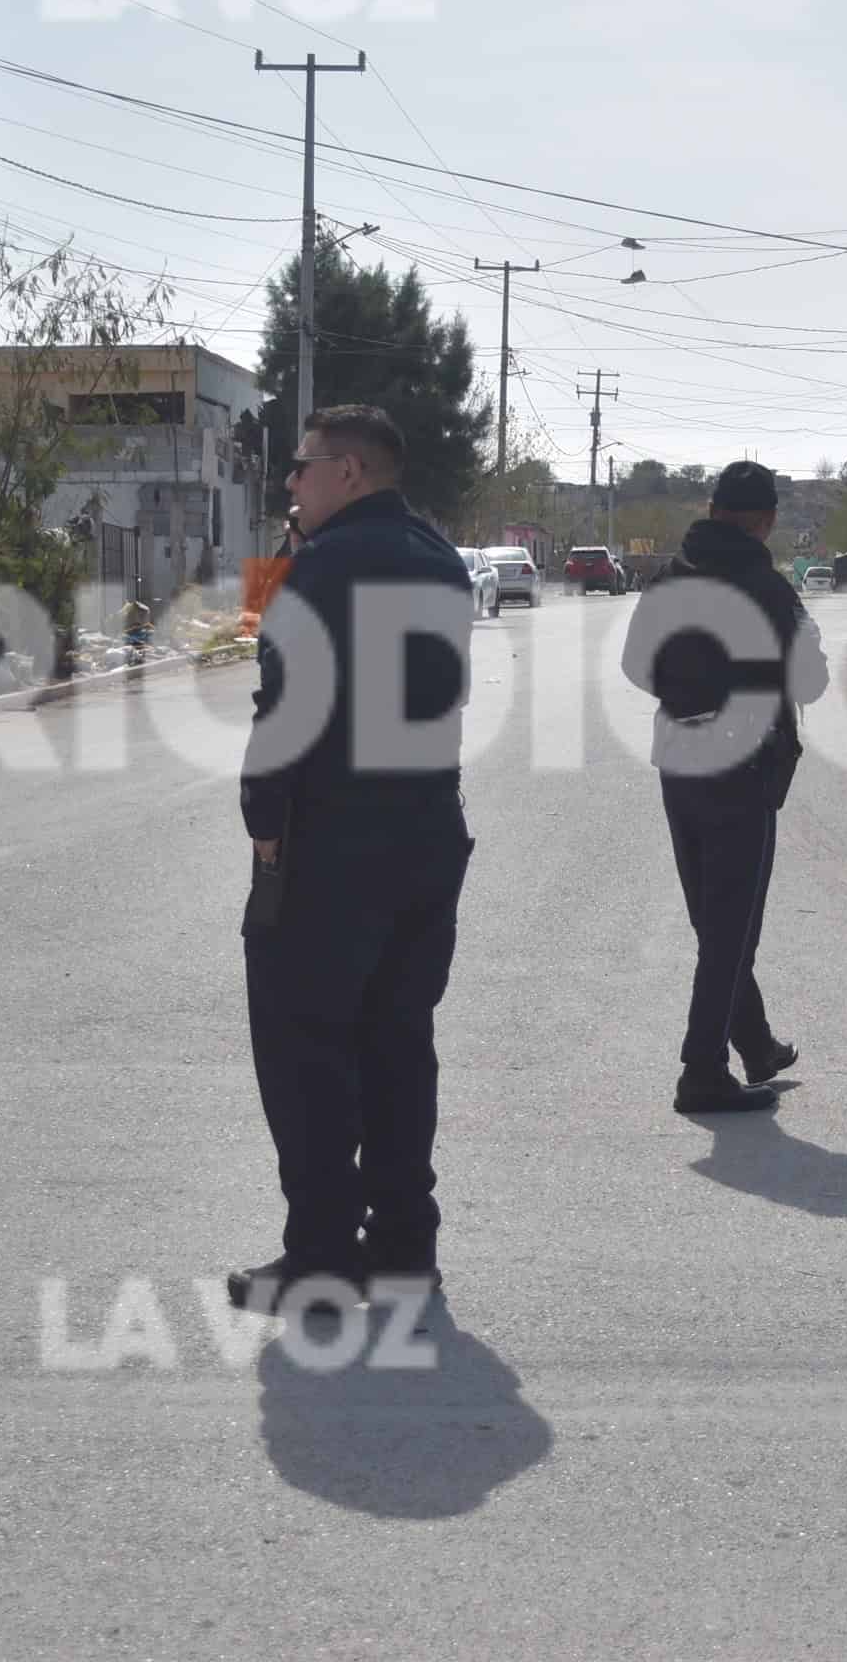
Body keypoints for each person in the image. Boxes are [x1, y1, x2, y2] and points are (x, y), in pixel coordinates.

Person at [230, 406, 476, 1314]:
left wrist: (263, 819)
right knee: (400, 1043)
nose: (286, 484)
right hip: (426, 829)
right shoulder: (442, 558)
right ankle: (405, 1245)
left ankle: (324, 1258)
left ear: (348, 473)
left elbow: (280, 703)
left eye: (298, 469)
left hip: (330, 840)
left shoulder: (318, 566)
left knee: (307, 1053)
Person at [619, 460, 830, 1115]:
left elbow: (635, 664)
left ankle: (757, 1044)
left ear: (712, 509)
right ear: (765, 521)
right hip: (742, 766)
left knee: (714, 919)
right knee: (730, 928)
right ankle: (701, 1071)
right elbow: (813, 685)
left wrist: (688, 695)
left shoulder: (671, 578)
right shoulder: (766, 590)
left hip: (679, 757)